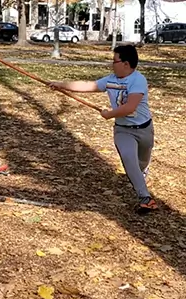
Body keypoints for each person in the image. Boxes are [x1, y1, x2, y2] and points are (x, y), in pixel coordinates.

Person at [49, 45, 156, 214]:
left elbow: (130, 107)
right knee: (129, 159)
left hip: (144, 129)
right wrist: (61, 85)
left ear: (126, 64)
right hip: (123, 130)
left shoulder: (138, 80)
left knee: (141, 164)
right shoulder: (110, 80)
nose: (112, 64)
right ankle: (145, 199)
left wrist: (110, 114)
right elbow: (88, 85)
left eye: (114, 61)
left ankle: (140, 175)